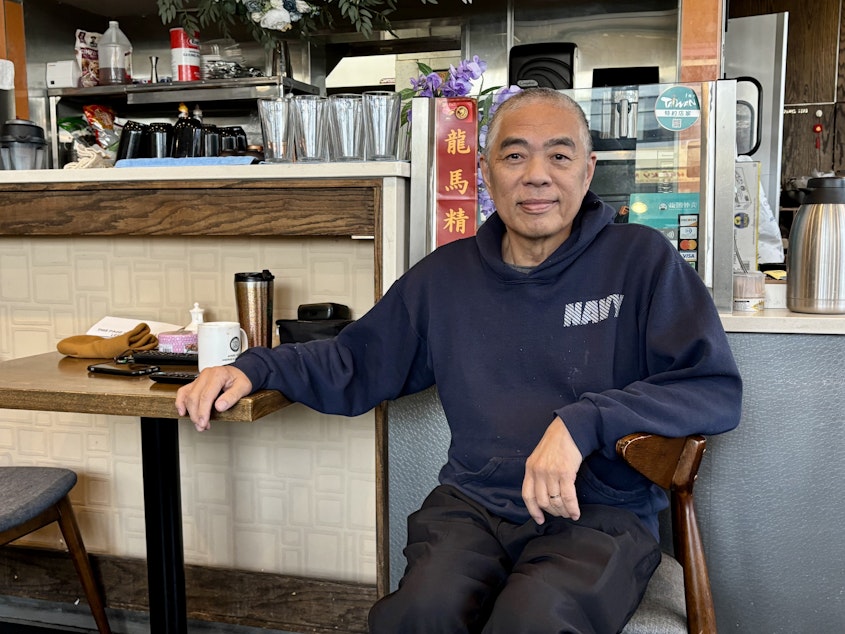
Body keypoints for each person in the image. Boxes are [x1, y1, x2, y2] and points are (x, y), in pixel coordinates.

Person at [176, 87, 742, 633]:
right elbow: (356, 361)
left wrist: (583, 422)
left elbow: (712, 389)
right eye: (514, 155)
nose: (537, 175)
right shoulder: (445, 277)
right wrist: (251, 368)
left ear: (588, 170)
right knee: (420, 615)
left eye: (560, 156)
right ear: (486, 170)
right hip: (474, 507)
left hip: (598, 516)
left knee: (533, 620)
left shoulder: (641, 260)